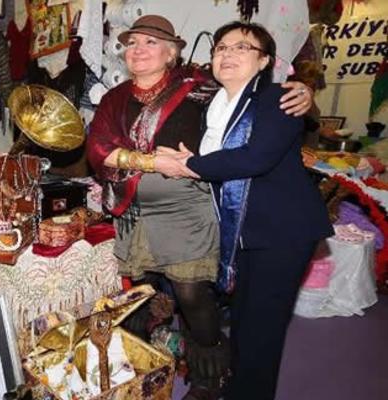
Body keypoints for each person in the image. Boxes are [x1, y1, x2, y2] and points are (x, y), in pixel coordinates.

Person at [86, 15, 313, 400]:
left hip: (190, 208)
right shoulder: (114, 98)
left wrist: (305, 92)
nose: (139, 50)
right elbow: (97, 150)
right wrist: (151, 162)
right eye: (132, 43)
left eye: (151, 42)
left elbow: (255, 101)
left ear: (171, 53)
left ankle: (210, 376)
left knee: (192, 294)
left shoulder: (199, 87)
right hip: (133, 209)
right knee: (139, 296)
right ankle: (146, 368)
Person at [156, 22, 333, 400]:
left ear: (265, 61)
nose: (228, 54)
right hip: (244, 234)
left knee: (261, 331)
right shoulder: (213, 106)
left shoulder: (278, 98)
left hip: (282, 231)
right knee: (243, 324)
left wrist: (191, 165)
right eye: (221, 48)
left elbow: (256, 158)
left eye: (241, 47)